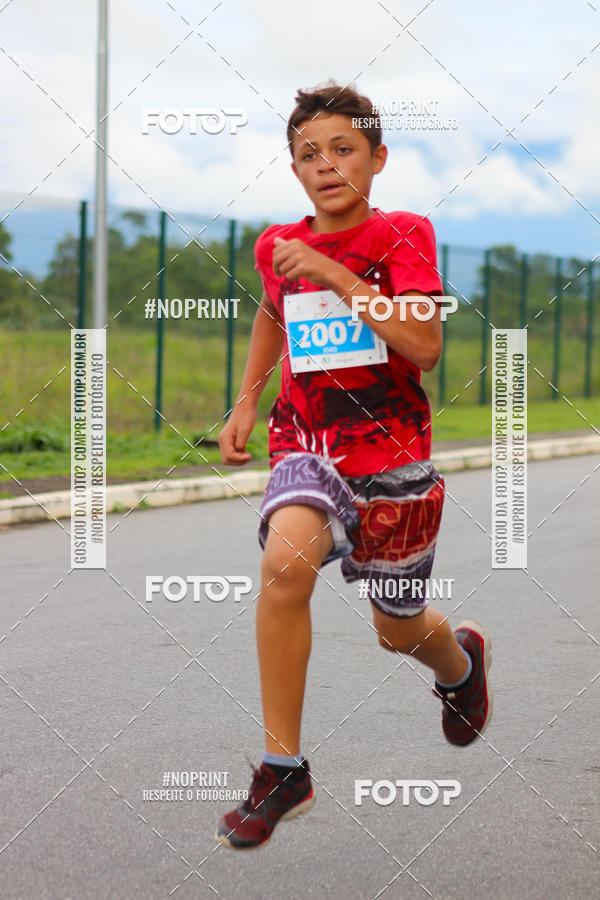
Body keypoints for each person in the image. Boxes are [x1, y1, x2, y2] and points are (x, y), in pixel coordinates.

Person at [215, 81, 493, 850]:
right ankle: (283, 767)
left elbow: (425, 347)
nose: (326, 164)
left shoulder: (404, 234)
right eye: (308, 153)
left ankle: (460, 664)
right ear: (294, 168)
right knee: (284, 563)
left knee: (397, 628)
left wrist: (338, 275)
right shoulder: (277, 245)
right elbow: (273, 311)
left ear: (377, 157)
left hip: (392, 455)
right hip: (308, 443)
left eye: (343, 149)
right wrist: (246, 400)